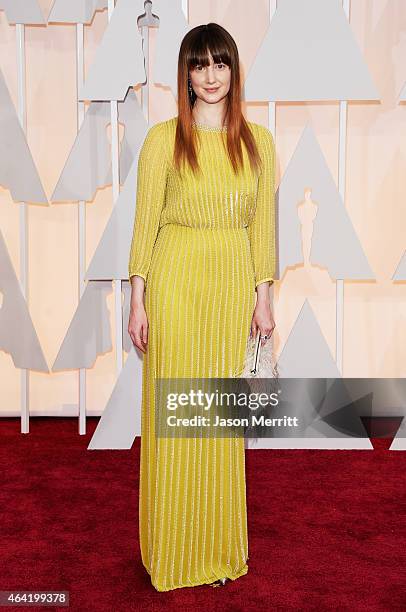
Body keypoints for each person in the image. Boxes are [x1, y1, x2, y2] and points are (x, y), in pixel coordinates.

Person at [128, 22, 276, 592]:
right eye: (199, 65)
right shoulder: (162, 140)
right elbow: (146, 225)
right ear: (185, 74)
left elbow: (261, 231)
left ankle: (215, 549)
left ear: (233, 71)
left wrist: (264, 301)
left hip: (229, 289)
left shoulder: (258, 143)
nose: (210, 77)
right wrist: (137, 297)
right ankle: (171, 550)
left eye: (220, 64)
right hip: (175, 285)